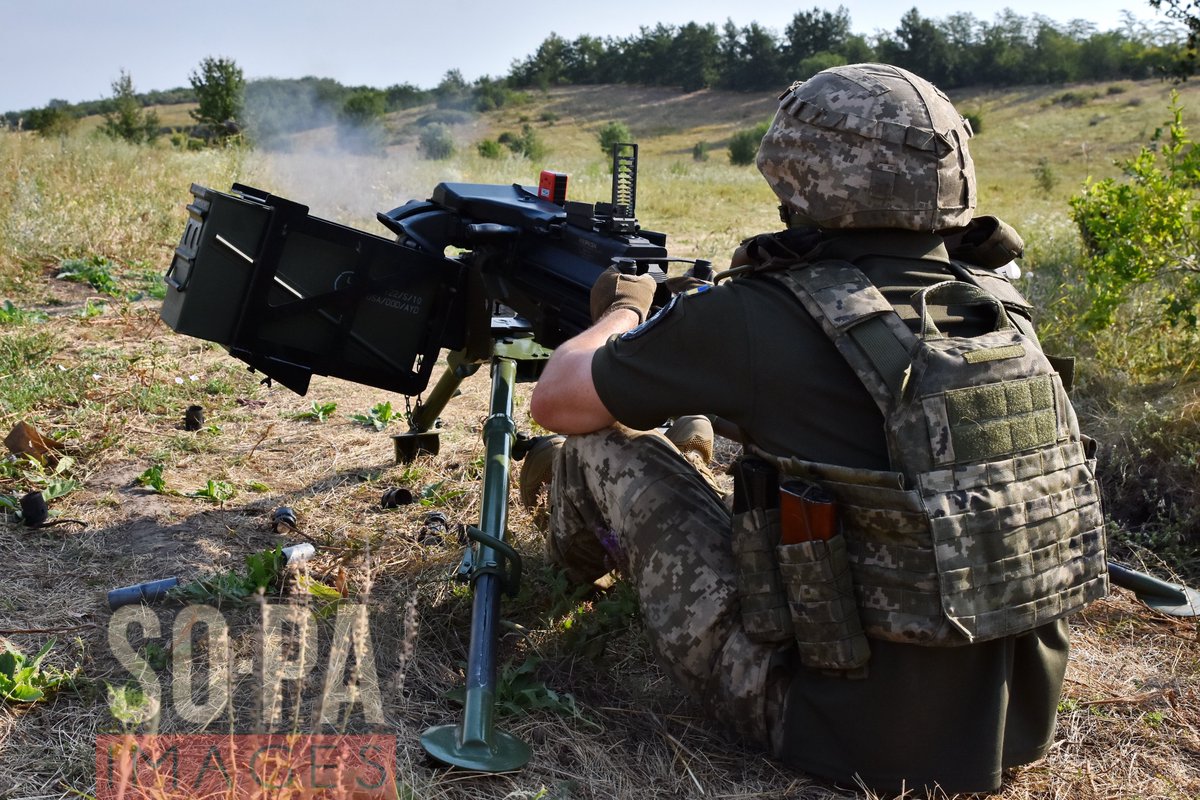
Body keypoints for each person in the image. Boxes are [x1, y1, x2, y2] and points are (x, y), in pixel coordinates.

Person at [528, 63, 1107, 795]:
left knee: (602, 444)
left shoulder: (762, 315)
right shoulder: (998, 304)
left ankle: (559, 585)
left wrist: (625, 308)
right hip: (1016, 721)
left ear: (802, 174)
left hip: (830, 726)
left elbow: (560, 399)